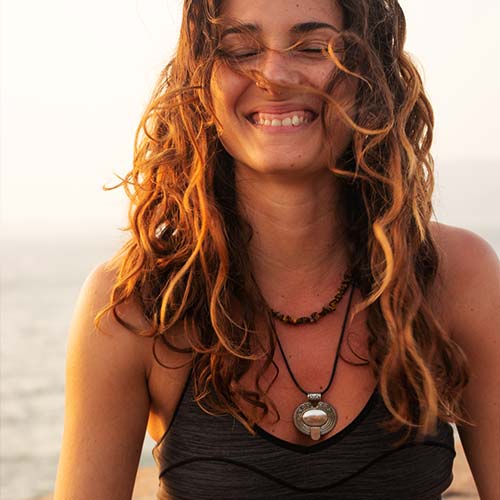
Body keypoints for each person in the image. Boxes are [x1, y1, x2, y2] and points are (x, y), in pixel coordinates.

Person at [54, 0, 500, 498]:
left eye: (313, 47)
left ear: (370, 75)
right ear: (200, 85)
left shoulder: (457, 277)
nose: (274, 74)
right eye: (240, 50)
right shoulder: (134, 303)